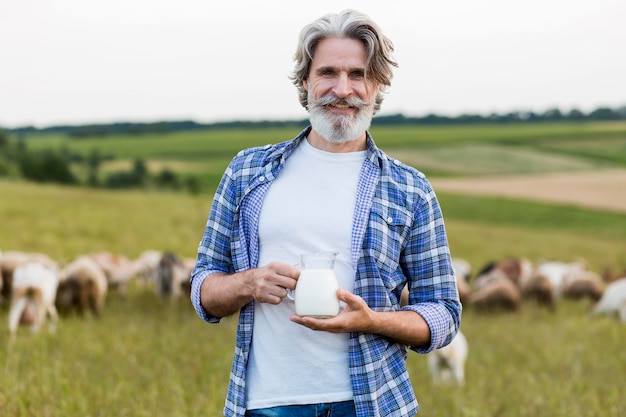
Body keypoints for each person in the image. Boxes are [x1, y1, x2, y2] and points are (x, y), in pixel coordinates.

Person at [191, 9, 461, 417]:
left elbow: (443, 313)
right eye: (328, 73)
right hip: (266, 403)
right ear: (306, 82)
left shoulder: (412, 189)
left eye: (358, 75)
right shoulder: (247, 172)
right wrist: (248, 282)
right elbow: (202, 291)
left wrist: (372, 320)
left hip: (373, 403)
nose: (343, 88)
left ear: (377, 85)